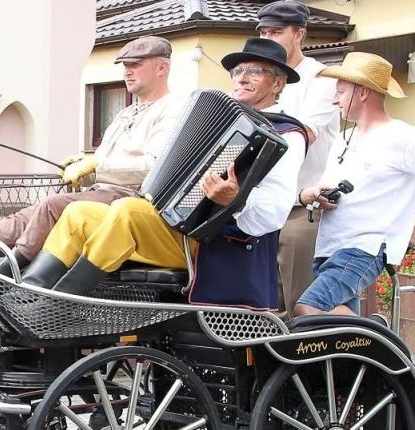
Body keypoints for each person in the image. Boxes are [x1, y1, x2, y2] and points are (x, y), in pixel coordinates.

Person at [27, 38, 312, 309]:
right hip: (176, 227)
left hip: (219, 248)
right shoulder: (218, 115)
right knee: (79, 214)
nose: (242, 77)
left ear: (278, 83)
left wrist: (236, 199)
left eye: (255, 71)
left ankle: (60, 304)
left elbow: (275, 212)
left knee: (128, 211)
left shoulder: (287, 134)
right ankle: (29, 296)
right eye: (237, 70)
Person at [0, 36, 180, 284]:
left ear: (161, 68)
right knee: (30, 215)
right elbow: (103, 163)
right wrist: (86, 166)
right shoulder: (125, 114)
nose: (127, 72)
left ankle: (0, 279)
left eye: (135, 65)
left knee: (51, 206)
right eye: (125, 66)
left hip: (131, 199)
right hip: (105, 192)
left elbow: (155, 169)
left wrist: (96, 166)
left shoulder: (172, 111)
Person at [293, 52, 415, 317]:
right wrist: (311, 194)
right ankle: (370, 345)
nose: (334, 99)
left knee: (309, 308)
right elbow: (329, 185)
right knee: (336, 322)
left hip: (364, 247)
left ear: (362, 93)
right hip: (330, 246)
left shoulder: (403, 137)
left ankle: (380, 338)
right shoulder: (343, 138)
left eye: (341, 91)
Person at [255, 0, 340, 313]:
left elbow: (304, 134)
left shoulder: (322, 78)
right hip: (263, 197)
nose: (268, 38)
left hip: (303, 201)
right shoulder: (259, 74)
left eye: (276, 32)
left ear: (299, 34)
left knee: (293, 272)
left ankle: (302, 348)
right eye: (263, 32)